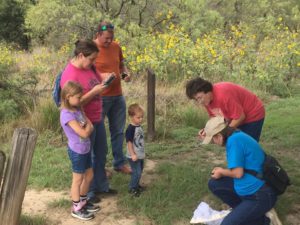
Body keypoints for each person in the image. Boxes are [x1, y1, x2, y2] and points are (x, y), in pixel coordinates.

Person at [60, 39, 117, 205]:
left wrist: (106, 80)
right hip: (83, 122)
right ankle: (88, 195)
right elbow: (72, 105)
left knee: (100, 153)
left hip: (96, 117)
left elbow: (96, 80)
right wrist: (94, 92)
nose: (93, 63)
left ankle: (101, 186)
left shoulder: (89, 66)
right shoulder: (70, 75)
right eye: (91, 59)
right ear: (80, 55)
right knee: (88, 159)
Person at [202, 116, 277, 225]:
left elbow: (238, 173)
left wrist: (222, 171)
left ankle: (262, 220)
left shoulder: (234, 142)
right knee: (214, 184)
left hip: (260, 196)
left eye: (213, 139)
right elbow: (240, 169)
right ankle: (245, 212)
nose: (214, 143)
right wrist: (222, 171)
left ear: (218, 136)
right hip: (254, 187)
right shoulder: (237, 135)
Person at [93, 21, 132, 174]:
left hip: (117, 96)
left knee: (118, 131)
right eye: (106, 38)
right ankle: (99, 167)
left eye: (112, 38)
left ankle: (119, 163)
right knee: (97, 134)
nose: (110, 41)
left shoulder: (116, 46)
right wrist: (101, 76)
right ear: (98, 35)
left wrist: (125, 74)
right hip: (99, 98)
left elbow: (121, 64)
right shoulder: (91, 48)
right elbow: (85, 71)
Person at [60, 81, 100, 220]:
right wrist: (87, 128)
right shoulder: (67, 115)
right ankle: (76, 208)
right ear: (68, 97)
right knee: (77, 180)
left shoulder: (77, 109)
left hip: (85, 148)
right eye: (78, 97)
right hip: (77, 151)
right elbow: (83, 133)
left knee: (89, 176)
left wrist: (87, 128)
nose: (80, 99)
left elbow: (90, 125)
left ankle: (83, 201)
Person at [186, 77, 265, 142]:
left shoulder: (223, 96)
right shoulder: (206, 100)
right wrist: (208, 130)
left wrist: (225, 132)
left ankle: (263, 160)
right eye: (196, 99)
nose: (199, 102)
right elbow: (216, 118)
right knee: (235, 143)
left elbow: (240, 117)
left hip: (253, 113)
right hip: (236, 116)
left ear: (207, 91)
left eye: (199, 98)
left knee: (248, 145)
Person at [125, 104, 146, 197]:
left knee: (140, 170)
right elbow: (129, 143)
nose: (140, 119)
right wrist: (133, 154)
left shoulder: (139, 126)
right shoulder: (130, 129)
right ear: (131, 117)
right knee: (136, 172)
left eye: (142, 117)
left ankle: (137, 185)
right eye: (138, 117)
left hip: (140, 154)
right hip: (133, 156)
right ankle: (132, 188)